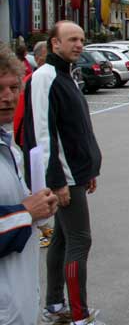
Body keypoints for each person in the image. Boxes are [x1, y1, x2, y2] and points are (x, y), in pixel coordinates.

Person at [21, 21, 105, 325]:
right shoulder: (45, 77)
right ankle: (79, 315)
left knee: (61, 238)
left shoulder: (66, 74)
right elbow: (43, 133)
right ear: (54, 43)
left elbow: (76, 128)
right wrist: (57, 181)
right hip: (64, 178)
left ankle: (55, 304)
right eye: (72, 39)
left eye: (81, 39)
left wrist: (88, 170)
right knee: (80, 240)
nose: (79, 44)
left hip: (75, 174)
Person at [1, 43, 60, 325]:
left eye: (13, 88)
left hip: (18, 300)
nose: (8, 97)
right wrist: (26, 212)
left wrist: (39, 204)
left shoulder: (8, 146)